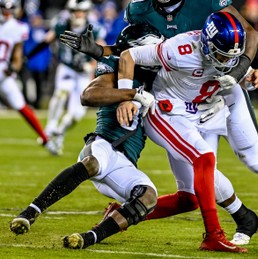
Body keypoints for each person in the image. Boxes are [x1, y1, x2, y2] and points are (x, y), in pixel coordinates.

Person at [60, 0, 258, 244]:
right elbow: (127, 52)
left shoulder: (214, 23)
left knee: (256, 160)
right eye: (222, 56)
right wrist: (110, 71)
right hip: (177, 104)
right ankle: (242, 217)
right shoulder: (174, 44)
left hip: (221, 91)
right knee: (197, 181)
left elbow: (240, 45)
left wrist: (242, 73)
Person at [9, 24, 161, 251]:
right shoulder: (116, 67)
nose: (155, 55)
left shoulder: (162, 75)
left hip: (126, 163)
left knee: (149, 197)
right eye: (151, 49)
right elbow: (89, 95)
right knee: (92, 163)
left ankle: (89, 237)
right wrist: (132, 94)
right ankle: (30, 212)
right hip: (104, 145)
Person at [27, 0, 106, 155]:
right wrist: (28, 56)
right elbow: (46, 40)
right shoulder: (61, 24)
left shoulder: (94, 28)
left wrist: (90, 66)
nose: (78, 14)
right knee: (61, 93)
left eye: (81, 11)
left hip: (83, 72)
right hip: (66, 67)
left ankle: (59, 133)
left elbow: (101, 51)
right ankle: (50, 128)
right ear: (70, 11)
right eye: (75, 11)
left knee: (76, 114)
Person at [0, 0, 55, 154]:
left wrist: (13, 68)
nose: (6, 12)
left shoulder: (18, 27)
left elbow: (17, 56)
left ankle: (45, 139)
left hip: (3, 70)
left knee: (21, 105)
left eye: (10, 9)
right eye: (3, 8)